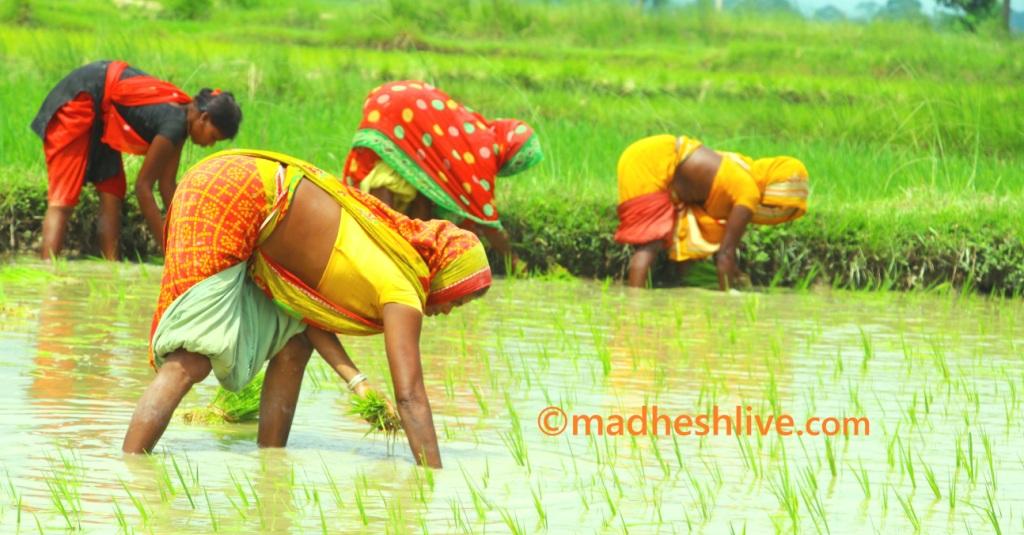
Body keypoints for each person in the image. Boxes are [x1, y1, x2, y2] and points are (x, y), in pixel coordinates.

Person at [123, 150, 491, 469]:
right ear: (447, 275)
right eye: (458, 298)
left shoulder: (388, 249)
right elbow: (410, 395)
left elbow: (306, 315)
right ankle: (131, 468)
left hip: (236, 189)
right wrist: (433, 477)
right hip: (232, 196)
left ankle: (270, 464)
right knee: (193, 357)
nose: (449, 309)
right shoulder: (403, 288)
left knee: (294, 341)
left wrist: (358, 384)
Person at [30, 60, 242, 259]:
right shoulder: (174, 125)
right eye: (213, 137)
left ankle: (110, 267)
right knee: (63, 199)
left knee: (112, 190)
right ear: (203, 118)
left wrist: (189, 233)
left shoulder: (182, 122)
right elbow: (143, 187)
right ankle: (49, 271)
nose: (210, 144)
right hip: (80, 98)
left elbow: (167, 186)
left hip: (105, 113)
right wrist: (170, 253)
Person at [342, 80, 542, 271]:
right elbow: (486, 220)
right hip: (405, 110)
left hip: (388, 100)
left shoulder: (474, 130)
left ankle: (396, 251)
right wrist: (514, 261)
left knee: (414, 188)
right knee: (391, 189)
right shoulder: (484, 152)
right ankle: (383, 246)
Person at [614, 135, 809, 290]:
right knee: (651, 244)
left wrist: (735, 274)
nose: (772, 210)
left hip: (651, 155)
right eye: (775, 206)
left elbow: (717, 244)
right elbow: (725, 254)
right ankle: (634, 306)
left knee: (670, 242)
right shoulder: (748, 193)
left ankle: (672, 285)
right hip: (651, 162)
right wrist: (727, 297)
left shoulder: (741, 172)